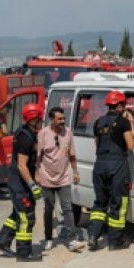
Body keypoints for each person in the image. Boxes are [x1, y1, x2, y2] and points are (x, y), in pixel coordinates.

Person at [0, 103, 45, 262]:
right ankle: (24, 253)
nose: (41, 122)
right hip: (20, 183)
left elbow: (30, 162)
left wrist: (35, 176)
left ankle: (2, 242)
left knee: (17, 214)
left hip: (20, 181)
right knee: (25, 217)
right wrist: (32, 185)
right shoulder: (25, 138)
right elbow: (22, 165)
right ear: (33, 120)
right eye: (39, 119)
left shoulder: (27, 133)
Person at [87, 90, 134, 251]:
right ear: (120, 106)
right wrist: (133, 125)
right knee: (118, 203)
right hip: (117, 166)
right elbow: (131, 146)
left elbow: (97, 145)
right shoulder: (123, 122)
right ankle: (115, 241)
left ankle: (93, 236)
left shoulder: (98, 122)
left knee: (100, 203)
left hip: (100, 164)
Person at [36, 106, 85, 252]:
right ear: (52, 120)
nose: (63, 121)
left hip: (64, 178)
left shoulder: (68, 132)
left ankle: (71, 240)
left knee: (68, 208)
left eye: (63, 118)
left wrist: (75, 172)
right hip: (47, 179)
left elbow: (72, 155)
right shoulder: (43, 134)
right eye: (59, 119)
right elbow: (38, 157)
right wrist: (36, 174)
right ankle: (48, 238)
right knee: (48, 209)